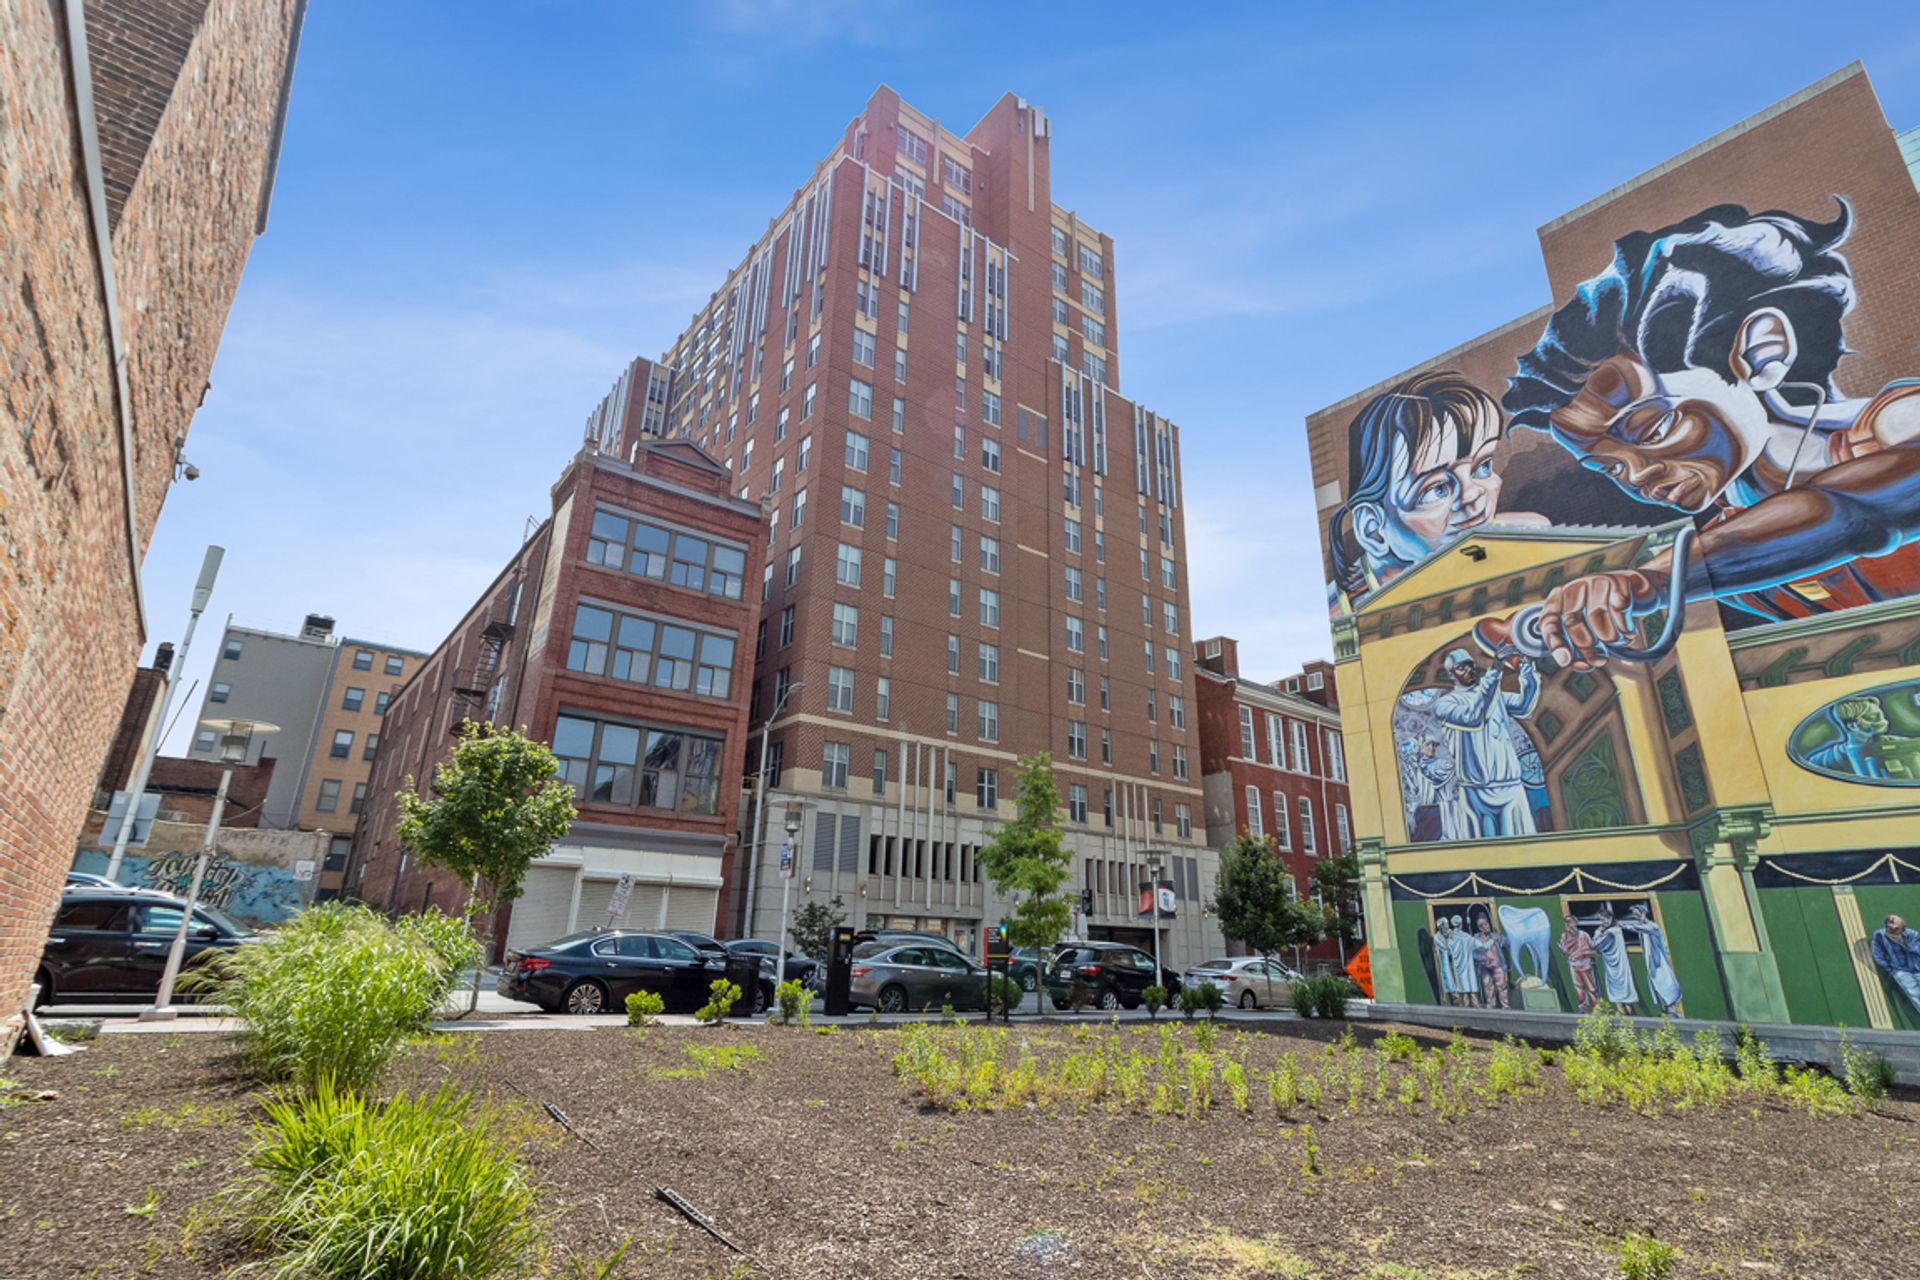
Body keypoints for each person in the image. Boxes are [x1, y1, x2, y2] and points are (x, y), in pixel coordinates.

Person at [1503, 200, 1920, 669]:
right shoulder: (1725, 541)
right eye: (1611, 467)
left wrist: (1650, 582)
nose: (1636, 476)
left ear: (1761, 352)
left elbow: (1853, 510)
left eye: (1655, 428)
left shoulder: (1898, 422)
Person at [1326, 371, 1547, 612]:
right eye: (1436, 488)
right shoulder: (1343, 613)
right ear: (1373, 530)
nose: (1472, 494)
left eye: (1482, 466)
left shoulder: (1530, 537)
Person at [1432, 648, 1541, 837]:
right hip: (1476, 792)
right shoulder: (1444, 704)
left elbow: (1525, 706)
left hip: (1511, 787)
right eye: (1461, 668)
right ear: (1451, 674)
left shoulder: (1495, 696)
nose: (1468, 670)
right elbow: (1473, 717)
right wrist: (1495, 670)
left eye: (1470, 665)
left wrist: (1526, 667)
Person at [1621, 905, 1682, 1015]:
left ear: (1644, 913)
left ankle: (1671, 1007)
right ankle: (1664, 1008)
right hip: (1650, 961)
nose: (1637, 917)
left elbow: (1644, 929)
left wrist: (1627, 926)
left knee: (1664, 982)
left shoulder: (1653, 926)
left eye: (1638, 915)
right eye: (1635, 916)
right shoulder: (1642, 927)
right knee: (1655, 984)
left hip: (1659, 962)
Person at [1405, 737, 1467, 842]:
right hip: (1424, 811)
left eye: (1433, 745)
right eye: (1427, 745)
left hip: (1444, 809)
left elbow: (1437, 778)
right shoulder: (1417, 766)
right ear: (1420, 748)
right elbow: (1414, 790)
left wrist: (1421, 767)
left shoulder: (1443, 764)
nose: (1431, 748)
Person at [1588, 907, 1639, 1014]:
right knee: (1625, 998)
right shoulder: (1617, 930)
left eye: (1606, 918)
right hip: (1617, 966)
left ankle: (1626, 1018)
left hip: (1616, 968)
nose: (1604, 921)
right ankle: (1630, 1017)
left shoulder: (1611, 932)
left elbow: (1595, 945)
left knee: (1620, 998)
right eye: (1602, 920)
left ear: (1611, 918)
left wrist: (1598, 931)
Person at [1871, 914, 1920, 1017]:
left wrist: (1907, 945)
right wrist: (1890, 969)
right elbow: (1877, 955)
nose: (1895, 929)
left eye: (1899, 928)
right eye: (1890, 926)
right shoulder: (1880, 936)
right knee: (1914, 993)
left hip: (1916, 967)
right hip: (1899, 970)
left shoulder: (1912, 934)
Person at [1558, 912, 1599, 1014]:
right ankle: (1582, 1007)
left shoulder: (1584, 935)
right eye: (1566, 922)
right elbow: (1565, 952)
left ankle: (1596, 1007)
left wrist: (1584, 953)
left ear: (1575, 923)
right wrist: (1564, 950)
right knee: (1578, 987)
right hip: (1573, 964)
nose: (1567, 925)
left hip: (1585, 964)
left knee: (1590, 987)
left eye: (1570, 922)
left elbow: (1594, 951)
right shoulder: (1564, 936)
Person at [1471, 915, 1511, 1009]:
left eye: (1486, 923)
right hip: (1485, 967)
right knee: (1488, 987)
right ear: (1479, 928)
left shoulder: (1495, 936)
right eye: (1482, 925)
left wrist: (1501, 937)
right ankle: (1491, 1005)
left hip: (1497, 966)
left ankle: (1505, 1006)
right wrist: (1482, 958)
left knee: (1502, 986)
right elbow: (1473, 953)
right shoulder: (1476, 939)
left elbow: (1507, 943)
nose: (1485, 926)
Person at [1442, 913, 1478, 1007]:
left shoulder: (1450, 939)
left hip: (1458, 969)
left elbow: (1447, 951)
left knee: (1463, 988)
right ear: (1461, 924)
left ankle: (1466, 1007)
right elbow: (1482, 946)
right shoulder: (1467, 937)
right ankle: (1475, 1006)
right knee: (1471, 988)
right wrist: (1491, 941)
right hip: (1468, 968)